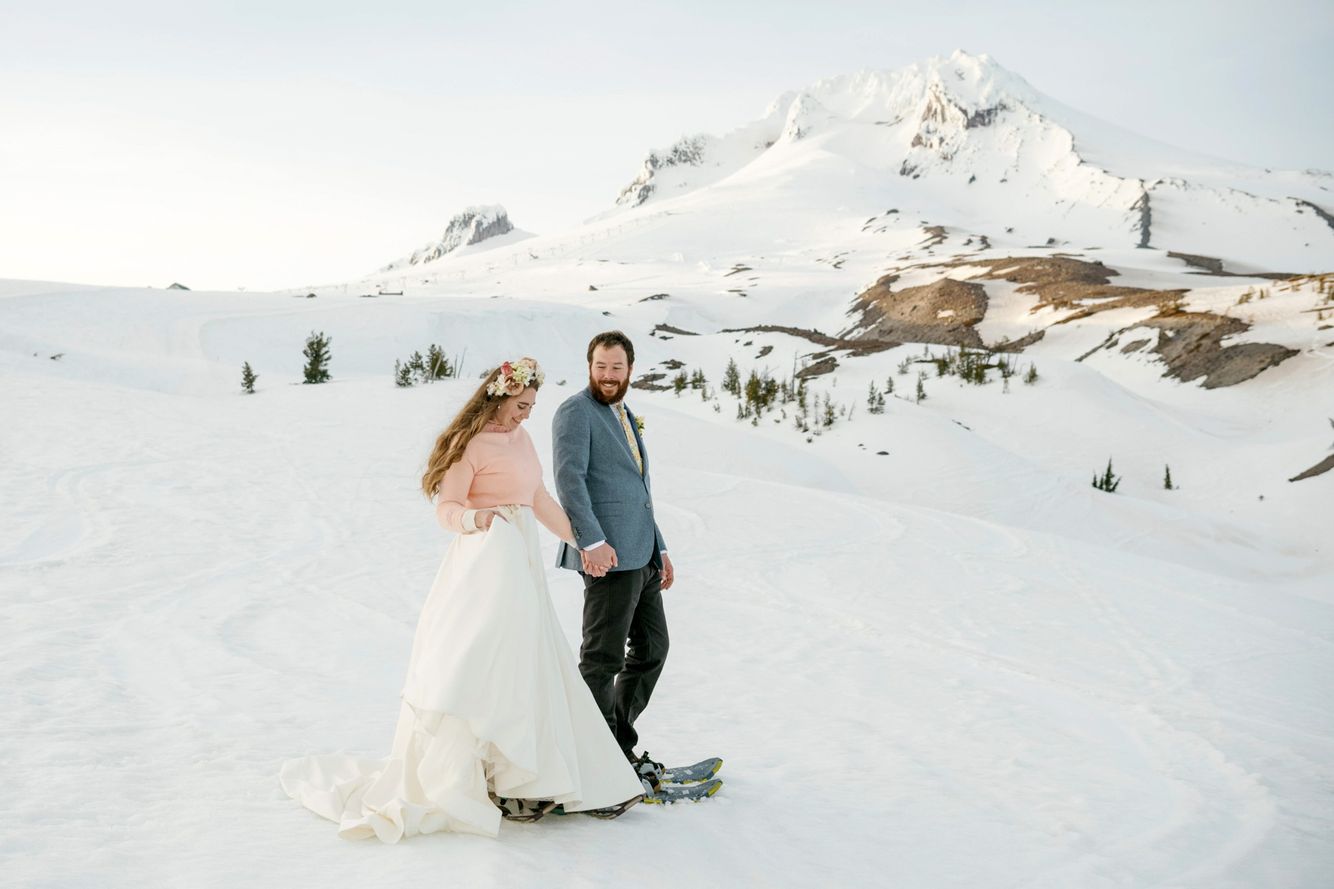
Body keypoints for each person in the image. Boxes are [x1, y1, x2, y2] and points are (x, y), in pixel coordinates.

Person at [280, 357, 645, 843]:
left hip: (522, 563)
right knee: (481, 661)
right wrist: (478, 520)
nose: (526, 414)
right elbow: (446, 508)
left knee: (524, 661)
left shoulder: (524, 440)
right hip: (485, 561)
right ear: (499, 397)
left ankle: (525, 780)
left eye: (532, 406)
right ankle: (483, 776)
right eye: (521, 405)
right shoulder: (470, 445)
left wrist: (584, 542)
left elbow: (538, 498)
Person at [552, 332, 675, 790]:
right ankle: (595, 759)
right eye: (601, 366)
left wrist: (660, 549)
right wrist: (592, 541)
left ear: (629, 369)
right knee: (601, 660)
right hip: (606, 557)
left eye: (616, 368)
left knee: (652, 650)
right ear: (590, 366)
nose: (608, 375)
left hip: (641, 556)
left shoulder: (622, 413)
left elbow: (639, 493)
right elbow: (570, 481)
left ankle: (615, 744)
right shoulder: (574, 412)